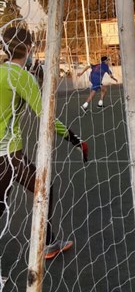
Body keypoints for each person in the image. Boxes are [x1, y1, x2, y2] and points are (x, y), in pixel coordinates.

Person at [0, 25, 88, 260]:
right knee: (41, 188)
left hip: (8, 154)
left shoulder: (2, 72)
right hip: (6, 154)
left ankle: (49, 242)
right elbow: (46, 117)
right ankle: (48, 243)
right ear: (29, 48)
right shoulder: (21, 77)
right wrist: (75, 139)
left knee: (22, 194)